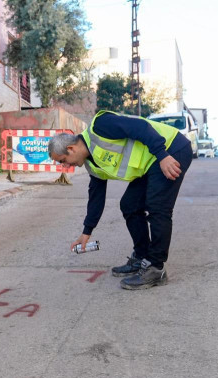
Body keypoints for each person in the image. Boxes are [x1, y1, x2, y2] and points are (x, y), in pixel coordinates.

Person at [47, 110, 192, 290]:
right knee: (129, 205)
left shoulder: (100, 126)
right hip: (149, 164)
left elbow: (141, 127)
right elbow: (96, 197)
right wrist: (87, 231)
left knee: (158, 208)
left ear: (71, 149)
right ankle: (141, 257)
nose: (65, 166)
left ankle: (156, 268)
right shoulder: (91, 163)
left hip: (170, 150)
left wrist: (162, 155)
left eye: (63, 161)